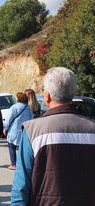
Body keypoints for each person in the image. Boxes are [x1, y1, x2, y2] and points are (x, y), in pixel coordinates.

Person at [11, 67, 95, 205]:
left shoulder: (33, 130)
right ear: (72, 94)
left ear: (47, 96)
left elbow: (21, 186)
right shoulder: (92, 129)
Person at [3, 92, 33, 170]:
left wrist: (5, 128)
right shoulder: (28, 108)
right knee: (22, 147)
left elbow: (8, 119)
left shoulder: (14, 107)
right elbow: (31, 119)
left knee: (11, 146)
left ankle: (13, 164)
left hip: (14, 130)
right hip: (25, 130)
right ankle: (22, 163)